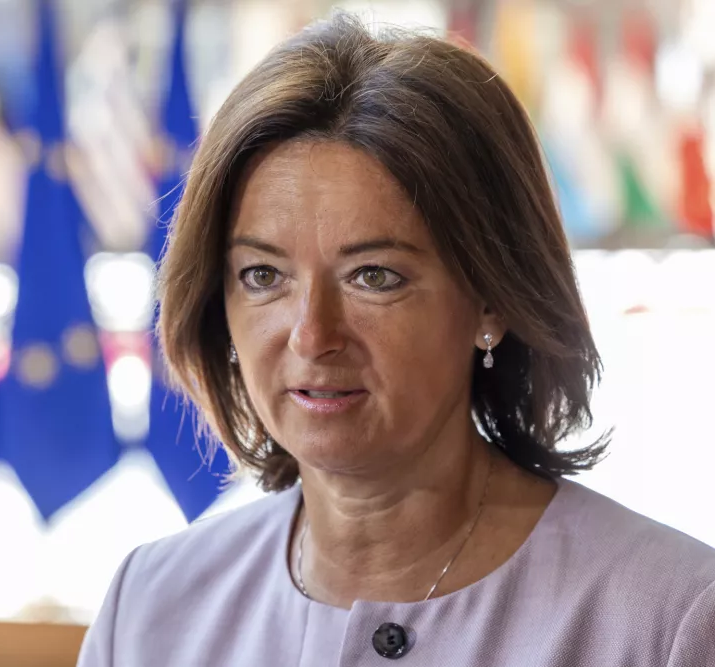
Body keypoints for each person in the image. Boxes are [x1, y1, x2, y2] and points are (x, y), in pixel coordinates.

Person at [77, 13, 715, 666]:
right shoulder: (150, 607)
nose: (312, 335)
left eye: (373, 275)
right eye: (263, 275)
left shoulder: (672, 619)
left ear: (492, 299)